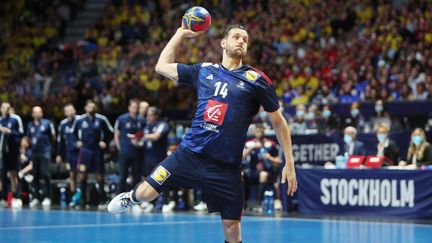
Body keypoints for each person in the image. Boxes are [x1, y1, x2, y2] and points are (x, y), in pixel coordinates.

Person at [108, 24, 297, 243]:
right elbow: (162, 66)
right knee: (145, 193)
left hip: (226, 167)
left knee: (232, 228)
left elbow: (278, 122)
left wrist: (289, 162)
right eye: (236, 37)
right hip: (190, 155)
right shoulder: (204, 70)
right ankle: (130, 197)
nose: (241, 41)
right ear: (223, 43)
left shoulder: (257, 80)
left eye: (245, 39)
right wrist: (180, 34)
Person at [72, 100, 113, 207]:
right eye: (89, 107)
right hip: (85, 151)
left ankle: (103, 200)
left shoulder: (102, 119)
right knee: (82, 176)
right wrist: (77, 141)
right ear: (85, 108)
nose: (91, 109)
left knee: (100, 176)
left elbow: (110, 132)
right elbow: (73, 133)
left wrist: (105, 142)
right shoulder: (80, 120)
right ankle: (83, 201)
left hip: (97, 151)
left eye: (93, 107)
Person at [242, 124, 281, 211]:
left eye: (261, 131)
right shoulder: (249, 143)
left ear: (264, 132)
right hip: (252, 171)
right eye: (257, 131)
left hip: (266, 172)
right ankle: (244, 204)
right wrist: (252, 148)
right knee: (242, 176)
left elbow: (279, 161)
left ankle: (258, 204)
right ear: (254, 132)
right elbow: (242, 156)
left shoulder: (270, 144)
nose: (259, 132)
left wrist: (270, 158)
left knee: (263, 175)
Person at [114, 99, 145, 193]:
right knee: (123, 175)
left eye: (136, 107)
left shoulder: (142, 120)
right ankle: (119, 198)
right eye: (133, 107)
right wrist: (120, 148)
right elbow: (116, 135)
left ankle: (136, 199)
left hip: (137, 152)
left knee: (137, 176)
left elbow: (145, 135)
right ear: (129, 107)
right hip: (124, 152)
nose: (135, 109)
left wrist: (141, 144)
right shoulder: (121, 119)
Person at [27, 106, 56, 208]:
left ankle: (48, 196)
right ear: (32, 114)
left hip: (45, 152)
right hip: (35, 152)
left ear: (42, 113)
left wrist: (48, 148)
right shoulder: (30, 125)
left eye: (40, 112)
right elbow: (29, 139)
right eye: (35, 112)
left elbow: (53, 137)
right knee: (35, 175)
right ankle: (36, 197)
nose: (38, 114)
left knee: (45, 174)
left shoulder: (47, 124)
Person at [0, 102, 24, 208]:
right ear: (1, 109)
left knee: (13, 174)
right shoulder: (0, 121)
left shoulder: (15, 119)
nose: (5, 109)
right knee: (3, 176)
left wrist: (9, 132)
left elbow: (20, 133)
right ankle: (3, 198)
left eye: (7, 108)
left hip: (13, 152)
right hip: (2, 153)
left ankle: (15, 197)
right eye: (4, 107)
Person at [56, 104, 81, 206]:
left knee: (82, 174)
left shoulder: (81, 120)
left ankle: (82, 197)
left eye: (72, 110)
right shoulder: (63, 124)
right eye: (68, 111)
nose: (70, 112)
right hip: (70, 153)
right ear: (65, 113)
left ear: (75, 110)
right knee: (72, 175)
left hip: (81, 152)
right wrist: (58, 154)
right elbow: (60, 141)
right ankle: (74, 198)